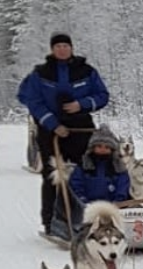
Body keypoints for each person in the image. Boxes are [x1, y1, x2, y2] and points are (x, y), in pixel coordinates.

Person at [19, 33, 111, 237]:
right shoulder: (41, 73)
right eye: (58, 46)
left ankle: (87, 219)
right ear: (52, 49)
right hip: (51, 130)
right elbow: (31, 100)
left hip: (81, 128)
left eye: (65, 45)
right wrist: (53, 123)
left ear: (71, 48)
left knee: (86, 172)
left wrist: (81, 104)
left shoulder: (86, 71)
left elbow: (102, 96)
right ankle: (52, 222)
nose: (62, 49)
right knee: (54, 175)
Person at [64, 127, 131, 228]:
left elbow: (123, 186)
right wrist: (82, 200)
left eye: (106, 147)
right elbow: (76, 184)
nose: (103, 149)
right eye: (99, 146)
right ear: (93, 148)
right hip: (87, 205)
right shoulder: (83, 166)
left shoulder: (118, 167)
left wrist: (118, 201)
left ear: (112, 150)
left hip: (113, 206)